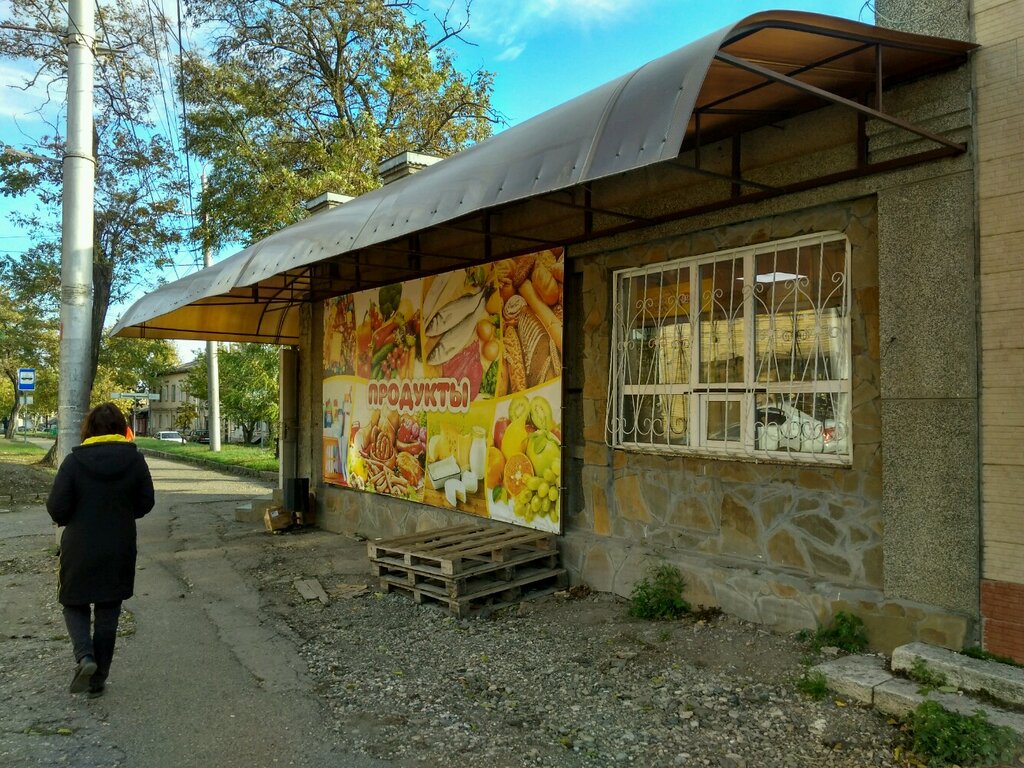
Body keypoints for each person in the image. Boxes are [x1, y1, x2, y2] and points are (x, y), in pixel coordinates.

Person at [46, 402, 155, 696]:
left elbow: (57, 507)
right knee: (109, 608)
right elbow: (146, 502)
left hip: (79, 545)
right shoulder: (135, 460)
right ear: (122, 429)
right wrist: (122, 513)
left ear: (89, 429)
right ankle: (97, 681)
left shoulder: (74, 461)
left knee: (73, 602)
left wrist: (74, 516)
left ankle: (85, 657)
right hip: (119, 544)